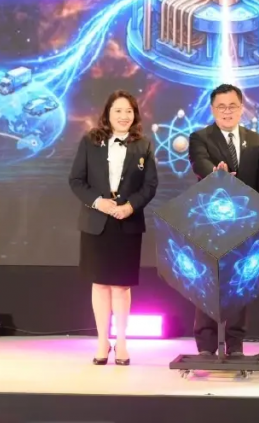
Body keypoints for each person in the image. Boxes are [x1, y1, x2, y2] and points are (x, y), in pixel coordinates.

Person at [68, 90, 158, 366]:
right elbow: (76, 180)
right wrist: (99, 203)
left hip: (127, 223)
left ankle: (121, 342)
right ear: (108, 113)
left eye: (129, 111)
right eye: (118, 110)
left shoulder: (143, 145)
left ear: (135, 115)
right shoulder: (90, 141)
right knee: (100, 284)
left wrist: (130, 207)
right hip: (96, 223)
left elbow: (150, 185)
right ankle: (101, 341)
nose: (124, 116)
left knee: (121, 285)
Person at [188, 83, 259, 356]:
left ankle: (235, 345)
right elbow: (199, 163)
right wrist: (216, 173)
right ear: (212, 109)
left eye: (232, 106)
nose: (227, 111)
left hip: (245, 225)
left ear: (241, 108)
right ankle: (206, 346)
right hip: (209, 224)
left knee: (240, 285)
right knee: (207, 284)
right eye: (221, 107)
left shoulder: (255, 140)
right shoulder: (200, 137)